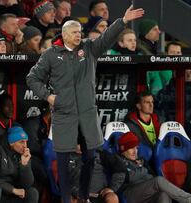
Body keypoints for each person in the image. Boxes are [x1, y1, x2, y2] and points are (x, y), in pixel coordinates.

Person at [26, 5, 144, 203]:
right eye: (74, 32)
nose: (78, 35)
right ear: (64, 35)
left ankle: (83, 196)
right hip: (65, 114)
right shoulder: (51, 55)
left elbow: (106, 38)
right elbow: (32, 78)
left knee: (90, 157)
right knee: (63, 161)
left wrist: (122, 22)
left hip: (87, 114)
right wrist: (48, 96)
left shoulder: (89, 48)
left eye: (80, 32)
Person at [118, 132, 191, 203]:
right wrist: (142, 169)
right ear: (123, 150)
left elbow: (151, 175)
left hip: (146, 194)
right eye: (131, 148)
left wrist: (142, 169)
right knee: (158, 180)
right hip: (129, 194)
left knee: (163, 194)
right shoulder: (118, 161)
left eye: (136, 148)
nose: (135, 151)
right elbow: (129, 178)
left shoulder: (142, 160)